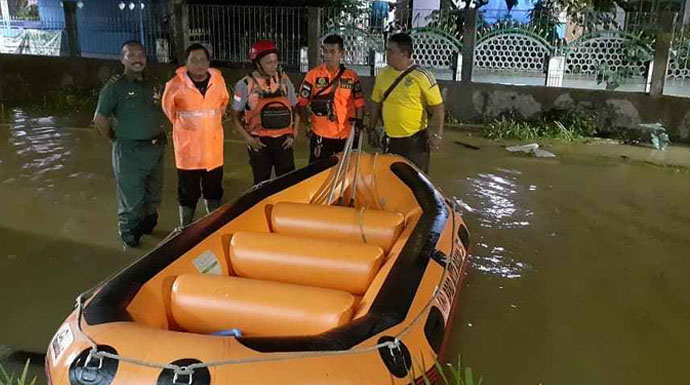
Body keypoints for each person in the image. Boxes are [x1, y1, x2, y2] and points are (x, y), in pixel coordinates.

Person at [93, 41, 166, 247]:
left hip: (156, 147)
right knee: (131, 196)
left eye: (141, 55)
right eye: (131, 55)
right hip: (129, 151)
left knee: (154, 191)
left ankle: (149, 223)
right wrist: (114, 139)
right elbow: (100, 118)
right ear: (122, 59)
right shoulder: (115, 87)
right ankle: (129, 234)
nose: (137, 59)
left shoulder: (153, 83)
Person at [162, 43, 230, 227]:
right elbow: (170, 112)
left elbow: (223, 103)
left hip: (213, 152)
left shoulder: (218, 81)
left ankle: (213, 222)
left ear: (208, 62)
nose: (199, 64)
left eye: (203, 60)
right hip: (188, 153)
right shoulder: (175, 85)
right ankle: (185, 226)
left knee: (214, 190)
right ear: (186, 63)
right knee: (187, 193)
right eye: (194, 60)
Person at [368, 32, 445, 173]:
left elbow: (438, 108)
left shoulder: (422, 76)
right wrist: (372, 128)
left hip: (415, 142)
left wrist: (437, 134)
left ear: (404, 53)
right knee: (391, 179)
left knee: (416, 183)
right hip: (390, 139)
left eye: (391, 50)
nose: (387, 53)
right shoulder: (383, 74)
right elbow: (375, 103)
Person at [229, 40, 300, 185]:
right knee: (261, 183)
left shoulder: (284, 81)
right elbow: (235, 117)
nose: (274, 66)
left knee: (287, 183)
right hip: (259, 142)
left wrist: (293, 133)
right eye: (269, 62)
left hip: (284, 141)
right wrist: (249, 140)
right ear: (257, 63)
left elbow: (296, 109)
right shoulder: (244, 85)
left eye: (275, 61)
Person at [297, 34, 365, 163]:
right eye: (325, 51)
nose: (327, 56)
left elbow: (359, 103)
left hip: (346, 134)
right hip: (321, 133)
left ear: (341, 53)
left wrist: (358, 126)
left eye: (332, 52)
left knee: (346, 173)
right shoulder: (313, 75)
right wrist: (307, 126)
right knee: (317, 173)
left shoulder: (351, 77)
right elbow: (301, 104)